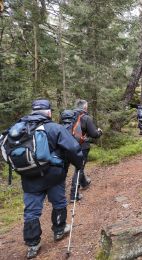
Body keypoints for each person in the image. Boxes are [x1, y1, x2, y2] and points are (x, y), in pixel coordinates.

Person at [1, 99, 84, 259]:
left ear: (33, 111)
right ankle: (59, 230)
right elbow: (73, 148)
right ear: (48, 112)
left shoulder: (18, 129)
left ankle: (32, 244)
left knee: (31, 210)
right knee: (58, 202)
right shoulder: (54, 128)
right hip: (54, 175)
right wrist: (79, 164)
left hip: (29, 177)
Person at [70, 99, 102, 203]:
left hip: (68, 146)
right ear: (84, 107)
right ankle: (74, 195)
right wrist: (99, 132)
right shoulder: (86, 118)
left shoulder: (69, 117)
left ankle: (84, 183)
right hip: (82, 146)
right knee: (79, 169)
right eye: (86, 106)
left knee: (79, 166)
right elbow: (94, 134)